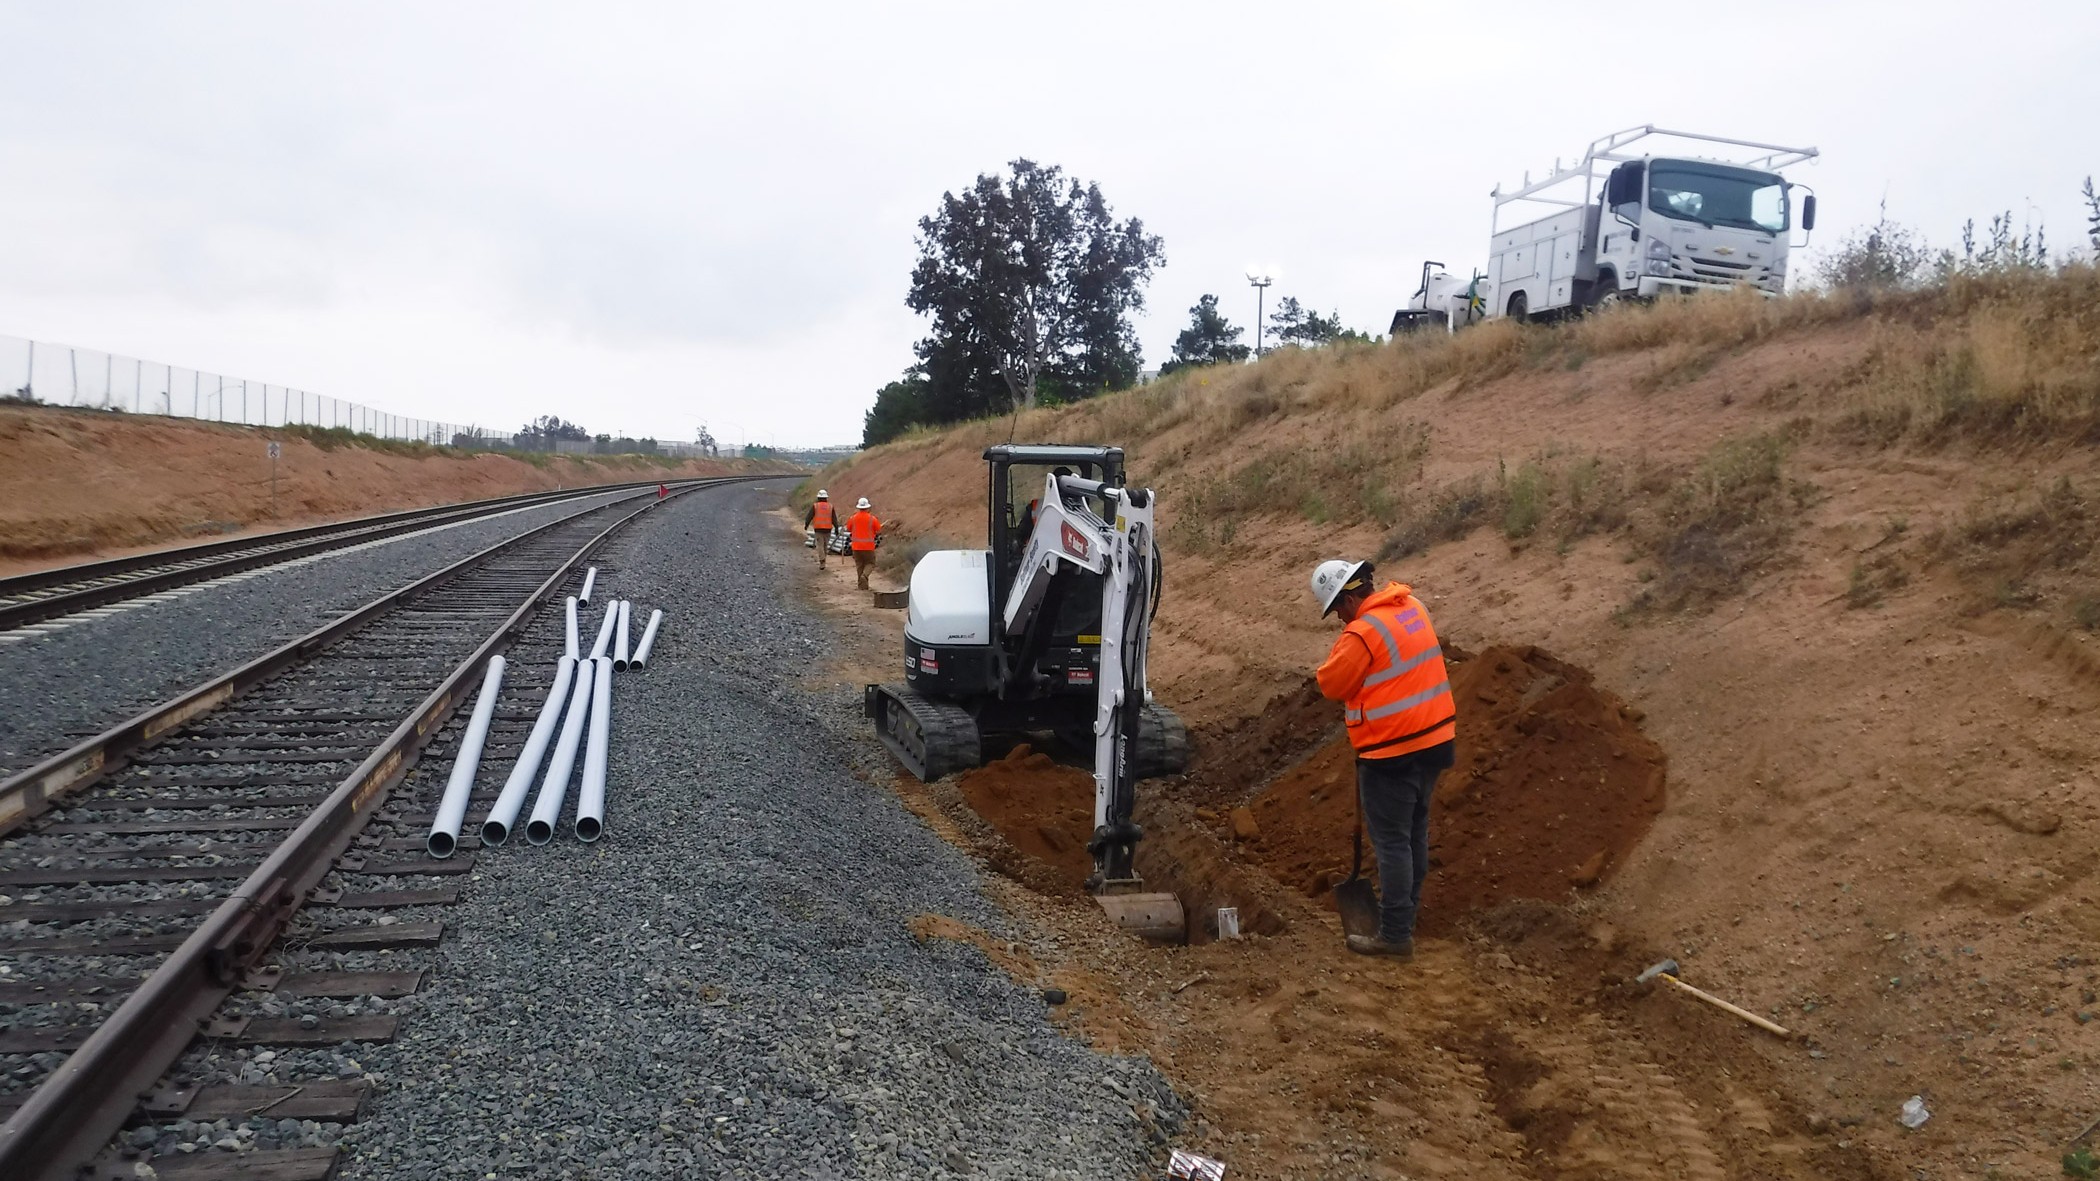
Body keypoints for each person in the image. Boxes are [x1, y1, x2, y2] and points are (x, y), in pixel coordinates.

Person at [1309, 558, 1456, 960]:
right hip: (1437, 742)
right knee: (1414, 836)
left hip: (1393, 752)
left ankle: (1394, 935)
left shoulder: (1363, 633)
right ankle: (1404, 916)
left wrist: (1347, 643)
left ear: (1351, 596)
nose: (1338, 618)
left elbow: (1332, 683)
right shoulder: (1413, 607)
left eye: (1338, 608)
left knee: (1392, 844)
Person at [846, 496, 883, 589]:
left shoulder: (853, 518)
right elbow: (878, 530)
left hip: (856, 547)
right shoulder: (872, 519)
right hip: (868, 547)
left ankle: (862, 586)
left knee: (859, 565)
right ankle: (865, 576)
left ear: (858, 507)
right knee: (870, 563)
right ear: (867, 507)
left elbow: (848, 529)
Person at [803, 489, 837, 568]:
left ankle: (822, 560)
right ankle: (823, 561)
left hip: (818, 529)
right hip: (828, 529)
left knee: (820, 546)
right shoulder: (830, 506)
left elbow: (809, 516)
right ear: (826, 498)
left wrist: (806, 524)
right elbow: (834, 518)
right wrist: (836, 528)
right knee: (825, 546)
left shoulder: (815, 506)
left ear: (818, 497)